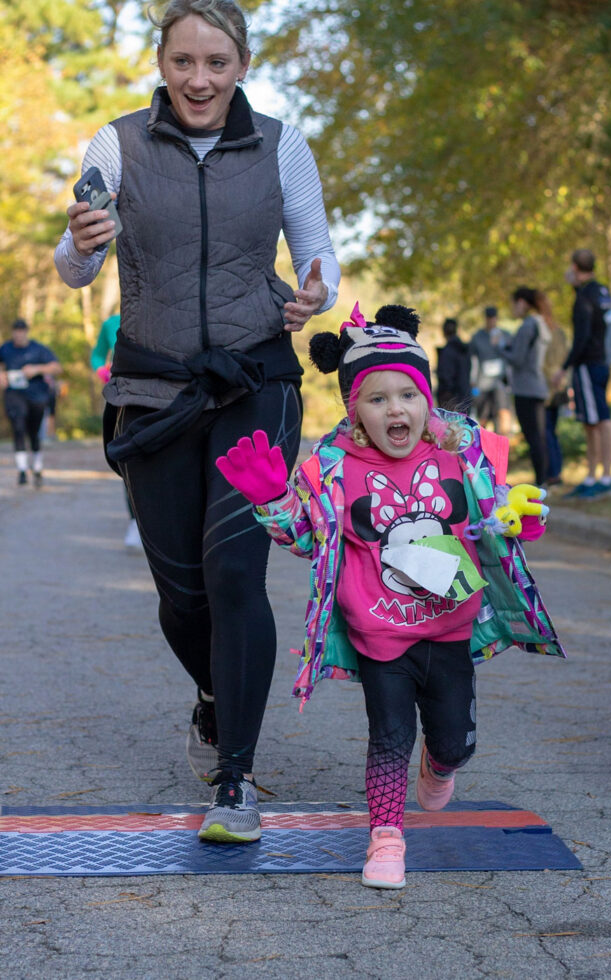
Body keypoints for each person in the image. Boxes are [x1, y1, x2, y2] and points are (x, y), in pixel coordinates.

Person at [54, 0, 341, 843]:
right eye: (184, 61)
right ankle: (217, 696)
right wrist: (79, 241)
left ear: (242, 64)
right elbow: (78, 268)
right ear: (163, 62)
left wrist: (315, 289)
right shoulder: (119, 143)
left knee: (234, 573)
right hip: (153, 388)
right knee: (179, 590)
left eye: (216, 62)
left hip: (256, 380)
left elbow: (315, 250)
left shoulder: (281, 142)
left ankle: (237, 780)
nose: (199, 79)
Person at [216, 302, 564, 888]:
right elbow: (305, 537)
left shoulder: (462, 453)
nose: (395, 409)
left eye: (407, 394)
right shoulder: (332, 468)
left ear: (426, 400)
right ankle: (385, 838)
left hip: (450, 629)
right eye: (377, 400)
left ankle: (442, 760)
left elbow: (499, 512)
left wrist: (520, 522)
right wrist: (273, 499)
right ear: (356, 412)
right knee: (389, 736)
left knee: (454, 741)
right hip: (379, 634)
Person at [552, 248, 611, 498]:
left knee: (600, 419)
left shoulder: (583, 299)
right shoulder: (602, 292)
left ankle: (606, 477)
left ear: (575, 268)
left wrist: (564, 367)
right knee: (592, 421)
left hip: (588, 365)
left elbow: (581, 337)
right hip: (602, 362)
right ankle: (593, 476)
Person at [90, 312, 142, 549]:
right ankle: (134, 522)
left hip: (163, 396)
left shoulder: (162, 311)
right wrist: (102, 371)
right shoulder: (111, 323)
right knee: (128, 456)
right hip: (122, 397)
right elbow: (97, 355)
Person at [0, 319, 61, 487]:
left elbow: (57, 367)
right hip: (14, 394)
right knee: (18, 427)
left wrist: (36, 369)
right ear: (12, 332)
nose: (19, 334)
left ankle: (37, 467)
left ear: (26, 332)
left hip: (37, 396)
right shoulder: (5, 348)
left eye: (22, 331)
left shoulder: (39, 349)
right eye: (16, 331)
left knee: (33, 433)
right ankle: (21, 470)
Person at [502, 287, 551, 487]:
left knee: (534, 437)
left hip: (526, 388)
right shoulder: (541, 322)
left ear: (521, 302)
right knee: (539, 436)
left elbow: (517, 358)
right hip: (538, 386)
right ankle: (544, 479)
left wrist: (501, 348)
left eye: (514, 304)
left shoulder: (528, 325)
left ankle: (541, 482)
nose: (513, 309)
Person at [536, 290, 569, 486]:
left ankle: (552, 472)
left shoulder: (546, 333)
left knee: (546, 431)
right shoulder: (560, 331)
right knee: (551, 431)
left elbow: (545, 363)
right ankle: (555, 471)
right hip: (559, 386)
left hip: (547, 387)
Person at [469, 306, 512, 435]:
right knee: (483, 414)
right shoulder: (477, 337)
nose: (491, 321)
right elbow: (473, 360)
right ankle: (484, 443)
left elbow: (511, 356)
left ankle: (503, 441)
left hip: (500, 381)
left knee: (502, 411)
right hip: (483, 382)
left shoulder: (505, 335)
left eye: (493, 318)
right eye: (489, 319)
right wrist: (473, 380)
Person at [435, 316, 472, 413]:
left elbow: (445, 376)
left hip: (451, 400)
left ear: (444, 332)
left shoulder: (447, 351)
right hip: (465, 396)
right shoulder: (465, 350)